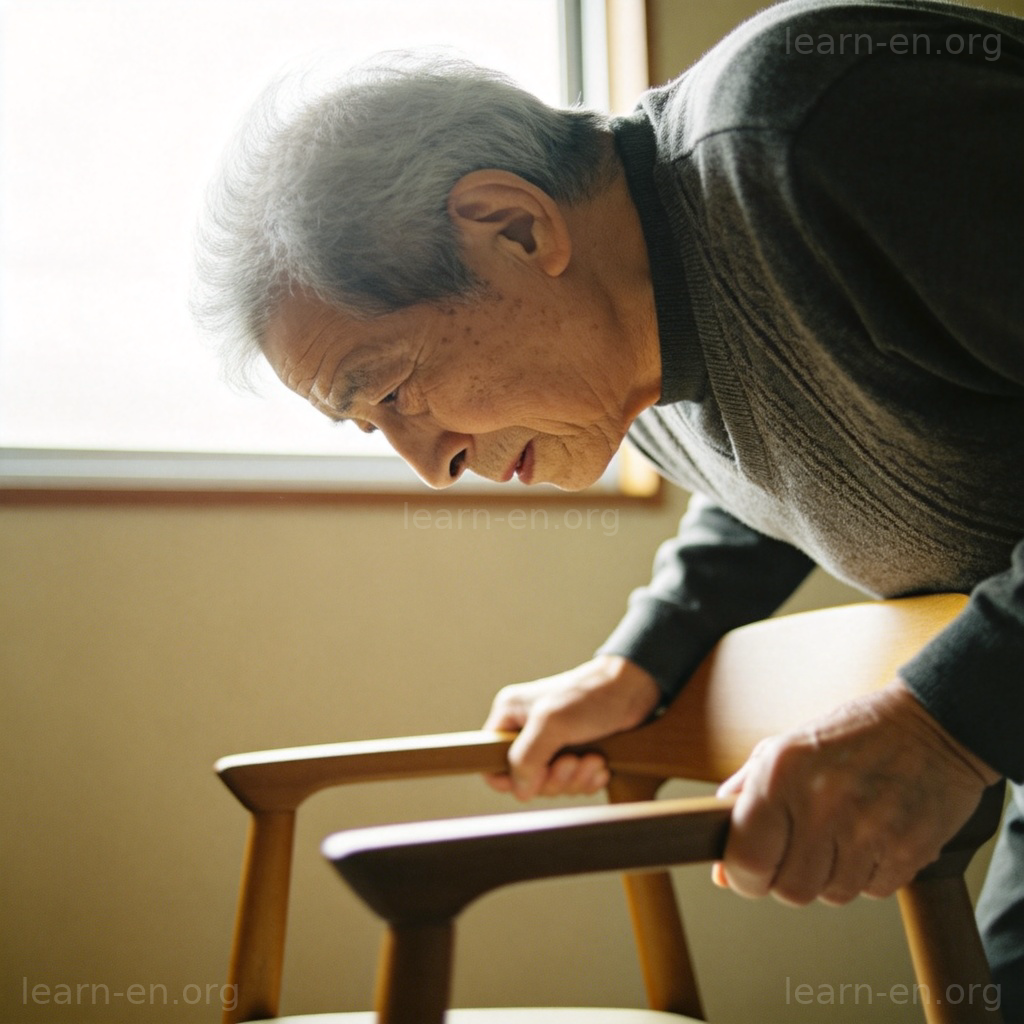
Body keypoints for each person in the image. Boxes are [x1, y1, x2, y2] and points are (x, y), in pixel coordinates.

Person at [192, 0, 1024, 1016]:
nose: (429, 465)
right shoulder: (632, 367)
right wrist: (642, 658)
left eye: (394, 387)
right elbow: (791, 454)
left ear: (515, 226)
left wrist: (945, 722)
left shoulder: (817, 135)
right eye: (374, 427)